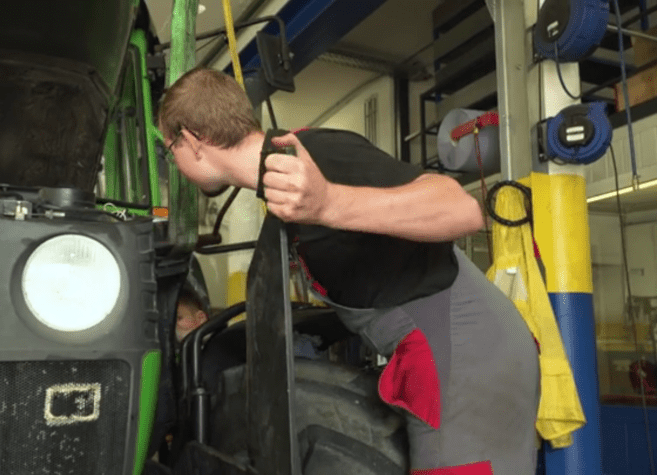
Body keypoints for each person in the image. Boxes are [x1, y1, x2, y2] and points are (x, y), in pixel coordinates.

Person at [158, 67, 540, 474]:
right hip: (434, 349)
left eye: (170, 150)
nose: (176, 165)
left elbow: (459, 208)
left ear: (194, 139)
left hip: (466, 352)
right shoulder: (284, 190)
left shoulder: (314, 154)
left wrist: (329, 204)